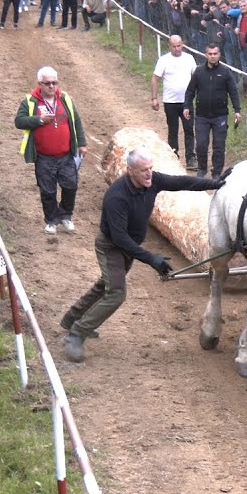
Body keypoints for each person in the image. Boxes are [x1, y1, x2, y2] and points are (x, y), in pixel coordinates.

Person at [60, 150, 221, 362]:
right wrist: (151, 258)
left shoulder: (152, 181)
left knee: (105, 286)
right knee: (116, 293)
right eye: (144, 170)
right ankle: (76, 334)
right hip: (111, 248)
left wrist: (215, 184)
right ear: (130, 171)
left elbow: (181, 182)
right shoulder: (116, 196)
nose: (149, 174)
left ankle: (72, 318)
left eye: (150, 169)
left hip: (128, 247)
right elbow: (120, 239)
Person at [15, 67, 86, 235]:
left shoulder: (65, 99)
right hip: (44, 157)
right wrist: (39, 119)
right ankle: (51, 221)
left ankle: (65, 216)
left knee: (71, 186)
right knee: (48, 190)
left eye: (55, 83)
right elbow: (19, 121)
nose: (52, 86)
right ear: (39, 84)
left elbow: (76, 121)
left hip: (66, 155)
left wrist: (82, 143)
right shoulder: (30, 101)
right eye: (47, 83)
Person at [183, 45, 242, 180]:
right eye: (210, 53)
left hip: (220, 116)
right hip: (202, 116)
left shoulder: (226, 72)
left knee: (219, 146)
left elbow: (233, 92)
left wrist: (237, 110)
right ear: (206, 55)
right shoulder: (198, 72)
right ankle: (202, 169)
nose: (213, 56)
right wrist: (186, 106)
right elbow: (190, 91)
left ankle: (216, 172)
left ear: (219, 54)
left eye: (215, 53)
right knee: (201, 144)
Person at [151, 36, 198, 170]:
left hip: (186, 102)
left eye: (179, 46)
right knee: (173, 130)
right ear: (169, 46)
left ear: (182, 45)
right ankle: (173, 156)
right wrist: (154, 98)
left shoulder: (189, 59)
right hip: (170, 101)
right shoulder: (164, 60)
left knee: (189, 129)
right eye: (174, 46)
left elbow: (196, 78)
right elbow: (155, 79)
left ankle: (190, 158)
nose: (177, 49)